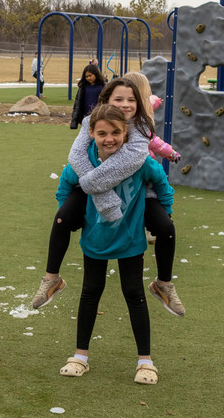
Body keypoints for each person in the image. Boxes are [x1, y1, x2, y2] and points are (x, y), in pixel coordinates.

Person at [32, 76, 185, 317]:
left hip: (135, 189)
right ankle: (52, 278)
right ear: (106, 101)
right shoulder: (91, 123)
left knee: (166, 227)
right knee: (62, 218)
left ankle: (163, 283)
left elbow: (136, 163)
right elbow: (76, 156)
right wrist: (77, 204)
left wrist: (166, 207)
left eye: (131, 100)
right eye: (119, 99)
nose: (125, 104)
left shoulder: (140, 128)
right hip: (92, 185)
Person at [55, 103, 174, 385]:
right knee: (90, 293)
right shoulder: (84, 163)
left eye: (116, 132)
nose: (109, 138)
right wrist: (71, 214)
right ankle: (80, 356)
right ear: (92, 134)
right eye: (102, 133)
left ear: (126, 133)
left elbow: (162, 184)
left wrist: (164, 214)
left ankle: (145, 362)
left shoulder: (139, 162)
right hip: (95, 240)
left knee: (134, 294)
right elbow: (64, 186)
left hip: (130, 240)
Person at [70, 63, 106, 129]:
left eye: (90, 75)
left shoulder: (103, 86)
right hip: (86, 118)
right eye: (86, 77)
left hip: (99, 117)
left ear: (95, 74)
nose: (88, 78)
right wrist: (78, 118)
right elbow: (77, 103)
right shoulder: (83, 87)